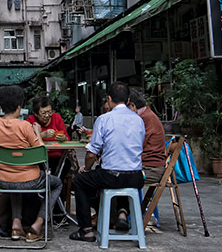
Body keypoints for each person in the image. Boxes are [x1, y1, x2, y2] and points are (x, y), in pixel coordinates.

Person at [69, 82, 145, 242]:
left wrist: (86, 169)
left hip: (111, 176)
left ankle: (86, 229)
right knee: (122, 175)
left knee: (80, 181)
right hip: (137, 177)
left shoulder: (104, 119)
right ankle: (122, 213)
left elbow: (91, 154)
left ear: (109, 99)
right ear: (128, 99)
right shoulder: (138, 120)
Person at [0, 85, 63, 242]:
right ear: (20, 106)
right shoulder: (25, 126)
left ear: (1, 105)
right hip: (31, 179)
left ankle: (16, 225)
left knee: (15, 180)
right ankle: (38, 224)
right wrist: (37, 133)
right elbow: (41, 155)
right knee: (57, 184)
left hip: (3, 180)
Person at [123, 88, 167, 224]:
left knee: (116, 176)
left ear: (132, 106)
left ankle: (122, 215)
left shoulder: (144, 119)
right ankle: (122, 215)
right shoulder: (146, 115)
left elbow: (136, 145)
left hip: (151, 169)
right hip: (148, 165)